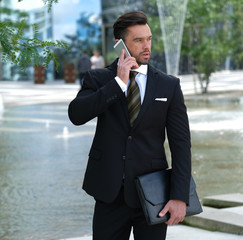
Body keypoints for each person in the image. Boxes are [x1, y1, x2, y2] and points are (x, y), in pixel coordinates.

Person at [68, 11, 191, 240]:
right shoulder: (99, 79)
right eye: (138, 40)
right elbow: (76, 115)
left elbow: (181, 144)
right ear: (120, 44)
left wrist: (180, 196)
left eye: (149, 39)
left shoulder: (169, 85)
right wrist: (117, 83)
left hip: (154, 194)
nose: (147, 46)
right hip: (109, 192)